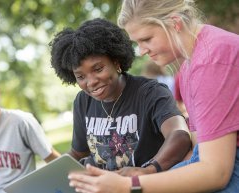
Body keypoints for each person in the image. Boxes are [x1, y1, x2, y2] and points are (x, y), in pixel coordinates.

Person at [68, 0, 239, 193]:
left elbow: (216, 172)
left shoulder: (211, 61)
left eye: (147, 39)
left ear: (175, 23)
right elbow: (200, 147)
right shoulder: (189, 65)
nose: (142, 51)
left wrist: (128, 186)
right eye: (137, 43)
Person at [49, 17, 192, 176]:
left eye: (98, 69)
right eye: (81, 77)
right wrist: (48, 175)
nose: (91, 82)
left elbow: (179, 134)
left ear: (116, 63)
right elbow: (78, 154)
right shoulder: (83, 101)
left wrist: (148, 170)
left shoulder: (151, 92)